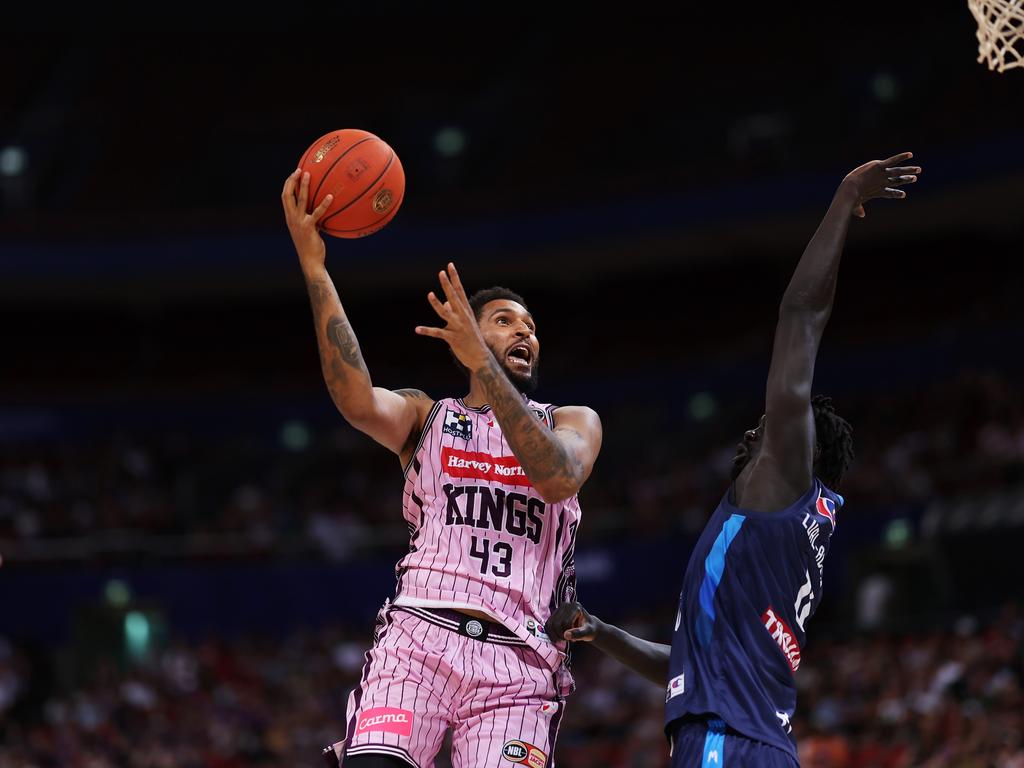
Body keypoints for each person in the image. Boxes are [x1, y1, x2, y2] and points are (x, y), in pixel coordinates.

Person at [547, 153, 921, 767]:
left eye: (767, 426)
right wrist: (603, 632)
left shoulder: (782, 480)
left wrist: (844, 198)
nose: (753, 431)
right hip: (757, 744)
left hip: (727, 743)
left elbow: (800, 317)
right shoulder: (796, 532)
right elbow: (692, 666)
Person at [280, 169, 603, 768]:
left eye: (530, 326)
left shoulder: (572, 420)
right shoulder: (427, 417)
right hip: (418, 643)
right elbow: (355, 397)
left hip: (521, 667)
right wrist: (316, 269)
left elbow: (556, 478)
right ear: (466, 337)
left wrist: (488, 365)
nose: (524, 332)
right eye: (504, 321)